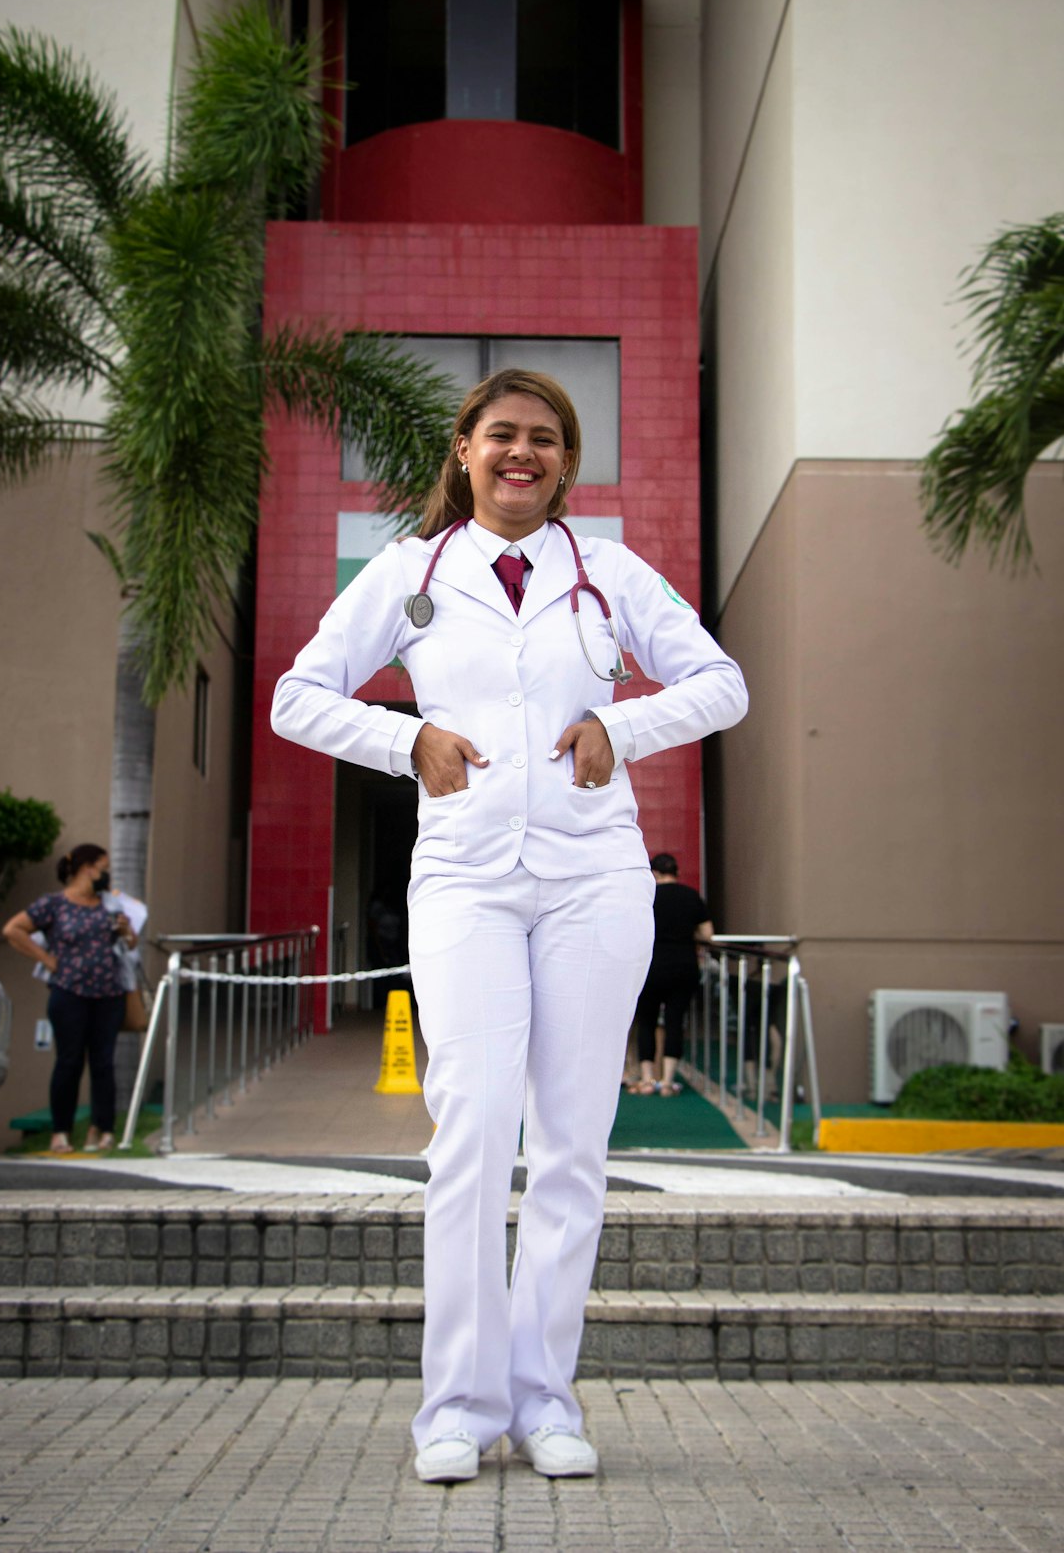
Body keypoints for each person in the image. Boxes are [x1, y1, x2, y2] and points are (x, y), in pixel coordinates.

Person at [271, 368, 748, 1483]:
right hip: (468, 883)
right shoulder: (408, 571)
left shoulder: (610, 572)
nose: (521, 453)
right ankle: (457, 1408)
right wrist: (408, 741)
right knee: (474, 1137)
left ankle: (546, 1402)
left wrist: (621, 728)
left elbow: (720, 684)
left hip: (593, 881)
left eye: (543, 438)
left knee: (573, 1150)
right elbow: (301, 694)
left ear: (566, 464)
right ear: (466, 449)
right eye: (501, 436)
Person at [3, 843, 134, 1154]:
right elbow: (13, 929)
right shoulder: (54, 904)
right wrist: (48, 960)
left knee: (103, 1063)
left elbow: (129, 944)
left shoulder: (110, 905)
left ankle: (103, 1130)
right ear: (86, 868)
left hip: (109, 994)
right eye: (103, 867)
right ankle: (60, 1132)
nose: (106, 873)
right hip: (69, 994)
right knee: (69, 1062)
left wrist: (127, 930)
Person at [629, 852, 713, 1096]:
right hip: (683, 966)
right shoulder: (690, 896)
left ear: (654, 873)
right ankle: (667, 1081)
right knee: (675, 1022)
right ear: (675, 872)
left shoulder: (647, 897)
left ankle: (646, 1079)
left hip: (650, 967)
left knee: (647, 1021)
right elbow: (707, 934)